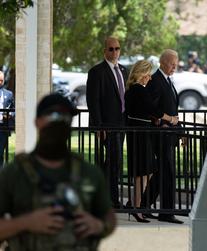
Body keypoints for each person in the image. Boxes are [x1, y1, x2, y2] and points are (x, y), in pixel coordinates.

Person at [0, 93, 116, 250]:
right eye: (53, 116)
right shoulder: (15, 173)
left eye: (66, 117)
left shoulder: (88, 173)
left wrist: (98, 225)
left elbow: (108, 215)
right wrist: (26, 223)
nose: (60, 122)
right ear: (37, 122)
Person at [125, 60, 178, 223]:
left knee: (146, 171)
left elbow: (145, 110)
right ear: (141, 75)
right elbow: (152, 108)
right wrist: (170, 118)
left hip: (141, 131)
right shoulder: (138, 90)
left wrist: (154, 119)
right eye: (147, 75)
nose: (149, 78)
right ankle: (136, 207)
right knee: (144, 171)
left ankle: (136, 205)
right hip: (140, 134)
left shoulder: (134, 90)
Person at [140, 49, 183, 224]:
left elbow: (172, 109)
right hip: (160, 135)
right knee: (168, 172)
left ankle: (144, 205)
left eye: (176, 63)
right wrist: (161, 120)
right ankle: (166, 212)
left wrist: (179, 131)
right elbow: (152, 108)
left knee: (160, 172)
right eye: (172, 63)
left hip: (170, 134)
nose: (175, 66)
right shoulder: (156, 81)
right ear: (162, 62)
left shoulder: (167, 80)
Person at [86, 37, 129, 208]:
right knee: (115, 159)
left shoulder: (124, 71)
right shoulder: (97, 72)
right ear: (104, 51)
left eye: (117, 48)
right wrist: (99, 126)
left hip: (122, 124)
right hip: (107, 125)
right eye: (110, 49)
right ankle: (112, 199)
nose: (114, 52)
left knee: (113, 161)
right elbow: (93, 101)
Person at [0, 71, 14, 168]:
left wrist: (10, 114)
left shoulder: (9, 94)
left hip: (3, 128)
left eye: (1, 80)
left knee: (0, 153)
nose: (0, 82)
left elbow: (14, 109)